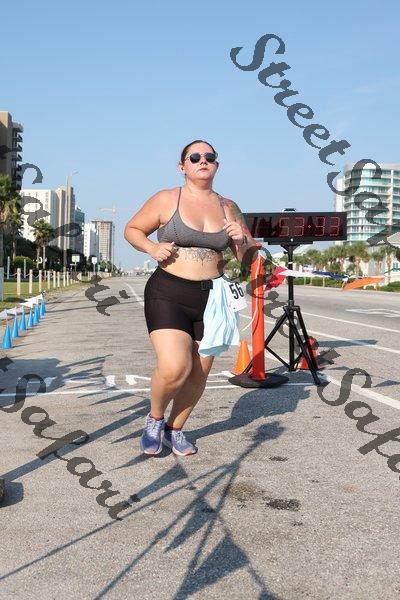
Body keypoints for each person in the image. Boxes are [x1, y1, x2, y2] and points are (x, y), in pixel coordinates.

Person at [124, 139, 257, 456]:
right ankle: (155, 419)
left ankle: (175, 429)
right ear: (182, 166)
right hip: (168, 291)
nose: (202, 161)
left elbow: (248, 261)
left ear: (217, 165)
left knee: (199, 373)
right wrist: (152, 248)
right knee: (175, 367)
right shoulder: (167, 198)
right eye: (194, 157)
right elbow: (132, 229)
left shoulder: (229, 207)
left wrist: (241, 240)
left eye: (209, 156)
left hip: (213, 297)